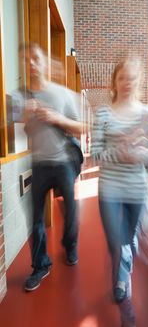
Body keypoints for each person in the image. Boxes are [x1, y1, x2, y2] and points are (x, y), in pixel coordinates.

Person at [91, 57, 148, 327]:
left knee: (127, 245)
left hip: (136, 190)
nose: (127, 83)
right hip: (109, 188)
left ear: (139, 82)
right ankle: (125, 296)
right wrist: (119, 152)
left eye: (133, 78)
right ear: (115, 80)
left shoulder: (147, 114)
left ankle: (121, 277)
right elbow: (95, 155)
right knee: (116, 242)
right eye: (122, 77)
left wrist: (144, 154)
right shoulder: (102, 113)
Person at [20, 43, 83, 291]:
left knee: (70, 210)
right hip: (39, 164)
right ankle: (40, 265)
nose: (31, 64)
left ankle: (70, 245)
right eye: (26, 60)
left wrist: (56, 118)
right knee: (35, 218)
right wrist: (27, 119)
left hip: (64, 162)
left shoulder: (63, 94)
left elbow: (80, 128)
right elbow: (26, 132)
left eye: (35, 58)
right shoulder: (22, 95)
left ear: (44, 61)